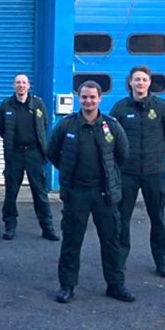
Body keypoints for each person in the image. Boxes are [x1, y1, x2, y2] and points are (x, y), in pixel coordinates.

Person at [47, 81, 134, 304]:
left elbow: (123, 154)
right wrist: (68, 173)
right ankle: (67, 286)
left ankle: (115, 285)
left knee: (111, 241)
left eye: (92, 97)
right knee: (71, 242)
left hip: (104, 194)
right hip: (77, 193)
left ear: (100, 99)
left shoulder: (111, 126)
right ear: (79, 98)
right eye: (84, 97)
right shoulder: (66, 126)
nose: (88, 101)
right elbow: (52, 152)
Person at [109, 66, 165, 278]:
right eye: (136, 79)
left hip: (154, 172)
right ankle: (118, 261)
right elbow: (111, 138)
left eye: (144, 79)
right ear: (130, 82)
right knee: (121, 218)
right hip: (126, 172)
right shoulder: (119, 109)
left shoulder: (163, 108)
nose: (140, 83)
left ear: (149, 83)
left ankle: (162, 261)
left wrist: (155, 155)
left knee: (158, 218)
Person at [0, 73, 58, 241]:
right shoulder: (6, 105)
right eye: (18, 82)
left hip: (34, 154)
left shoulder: (38, 105)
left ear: (29, 85)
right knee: (11, 193)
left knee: (40, 193)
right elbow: (0, 127)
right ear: (13, 85)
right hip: (14, 153)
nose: (21, 85)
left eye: (24, 82)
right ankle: (10, 226)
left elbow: (44, 125)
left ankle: (47, 227)